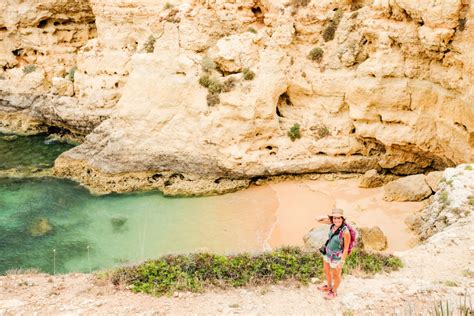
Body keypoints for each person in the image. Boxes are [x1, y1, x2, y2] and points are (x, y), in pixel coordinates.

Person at [316, 208, 351, 300]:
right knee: (326, 271)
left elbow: (346, 248)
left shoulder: (345, 232)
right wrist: (329, 217)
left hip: (336, 257)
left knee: (336, 275)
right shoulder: (332, 224)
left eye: (339, 218)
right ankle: (328, 286)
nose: (337, 220)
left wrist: (342, 262)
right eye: (334, 218)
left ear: (342, 219)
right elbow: (317, 218)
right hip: (327, 253)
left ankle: (334, 291)